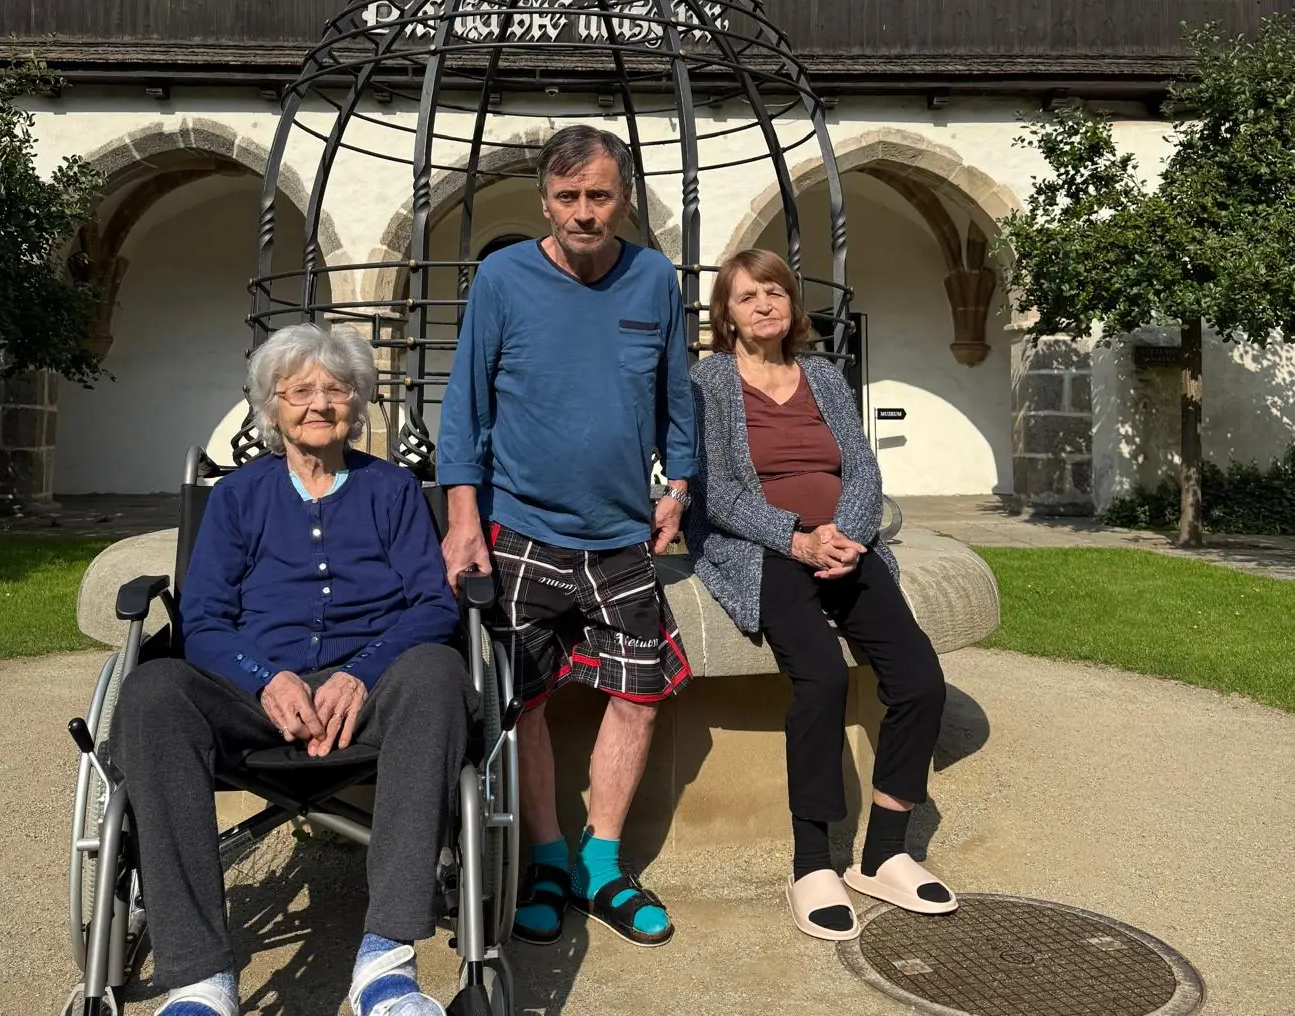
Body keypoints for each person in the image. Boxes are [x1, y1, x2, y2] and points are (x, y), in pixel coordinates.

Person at [110, 323, 472, 1016]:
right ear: (271, 408)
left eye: (335, 389)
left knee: (436, 674)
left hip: (370, 694)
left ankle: (386, 965)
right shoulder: (238, 496)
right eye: (299, 391)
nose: (318, 404)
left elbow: (432, 605)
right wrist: (264, 678)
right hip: (253, 697)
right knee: (153, 691)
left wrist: (358, 673)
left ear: (357, 403)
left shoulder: (393, 489)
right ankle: (199, 978)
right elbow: (203, 619)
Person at [436, 124, 697, 948]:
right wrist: (462, 518)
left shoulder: (653, 278)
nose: (584, 212)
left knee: (638, 696)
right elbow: (465, 404)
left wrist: (679, 486)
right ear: (544, 202)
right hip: (521, 527)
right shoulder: (502, 277)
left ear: (625, 201)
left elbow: (676, 392)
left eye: (599, 196)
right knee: (525, 700)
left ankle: (602, 864)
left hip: (622, 533)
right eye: (568, 196)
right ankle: (548, 857)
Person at [688, 249, 954, 943]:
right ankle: (811, 864)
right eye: (748, 296)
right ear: (727, 314)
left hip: (845, 544)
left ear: (792, 304)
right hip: (764, 549)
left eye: (775, 292)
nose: (764, 305)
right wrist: (797, 539)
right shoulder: (709, 381)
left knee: (919, 680)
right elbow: (717, 492)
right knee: (822, 678)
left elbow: (861, 466)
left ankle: (885, 852)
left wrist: (848, 534)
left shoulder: (824, 376)